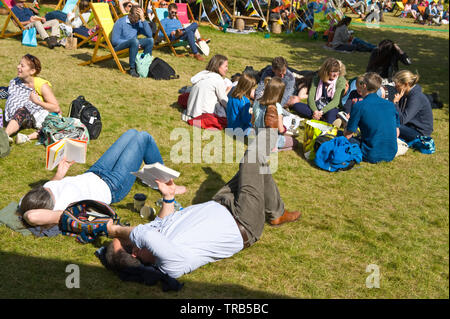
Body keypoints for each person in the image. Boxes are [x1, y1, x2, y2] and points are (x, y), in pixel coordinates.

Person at [104, 132, 302, 279]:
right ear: (134, 252)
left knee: (256, 169)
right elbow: (144, 234)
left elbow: (161, 222)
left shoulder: (153, 242)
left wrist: (169, 198)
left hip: (222, 201)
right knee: (252, 158)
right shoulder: (170, 264)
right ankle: (274, 129)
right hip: (244, 220)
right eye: (126, 239)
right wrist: (115, 230)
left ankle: (276, 212)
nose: (129, 233)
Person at [18, 129, 186, 227]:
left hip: (95, 171)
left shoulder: (42, 193)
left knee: (132, 133)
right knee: (144, 139)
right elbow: (31, 217)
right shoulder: (61, 211)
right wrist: (27, 216)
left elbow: (50, 187)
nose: (47, 188)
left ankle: (163, 182)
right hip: (113, 186)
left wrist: (60, 173)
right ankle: (167, 183)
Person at [4, 54, 61, 145]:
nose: (18, 67)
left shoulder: (41, 85)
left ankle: (5, 135)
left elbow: (56, 108)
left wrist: (36, 101)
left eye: (22, 66)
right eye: (19, 64)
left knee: (23, 110)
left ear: (32, 71)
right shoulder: (16, 81)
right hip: (15, 117)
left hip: (31, 115)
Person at [344, 72, 400, 164]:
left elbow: (347, 135)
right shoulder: (390, 105)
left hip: (371, 154)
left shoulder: (359, 106)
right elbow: (397, 133)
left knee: (339, 136)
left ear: (364, 86)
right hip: (391, 153)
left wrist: (347, 125)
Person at [291, 58, 347, 124]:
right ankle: (321, 118)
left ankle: (323, 118)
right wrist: (315, 111)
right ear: (326, 71)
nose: (335, 74)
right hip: (317, 106)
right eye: (333, 72)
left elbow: (336, 101)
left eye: (337, 71)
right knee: (297, 106)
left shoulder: (341, 80)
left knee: (330, 115)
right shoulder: (317, 78)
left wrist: (322, 111)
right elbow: (311, 97)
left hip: (331, 108)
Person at [252, 77, 298, 151]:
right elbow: (280, 129)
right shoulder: (277, 107)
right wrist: (287, 130)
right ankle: (274, 149)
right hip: (271, 139)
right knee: (295, 142)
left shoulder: (257, 101)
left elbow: (253, 121)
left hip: (258, 135)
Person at [111, 5, 154, 77]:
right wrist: (131, 42)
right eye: (135, 18)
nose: (136, 21)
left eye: (138, 19)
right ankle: (132, 69)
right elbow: (114, 41)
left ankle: (145, 65)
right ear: (129, 14)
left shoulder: (137, 22)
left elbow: (149, 35)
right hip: (118, 47)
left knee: (150, 41)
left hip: (134, 43)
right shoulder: (120, 22)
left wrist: (143, 20)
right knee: (135, 41)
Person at [184, 54, 231, 120]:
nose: (227, 69)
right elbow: (223, 100)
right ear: (218, 66)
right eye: (225, 66)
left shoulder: (203, 74)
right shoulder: (217, 80)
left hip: (191, 110)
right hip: (203, 113)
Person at [392, 70, 433, 142]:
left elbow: (402, 120)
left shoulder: (416, 97)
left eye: (397, 85)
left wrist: (395, 103)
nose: (395, 87)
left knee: (389, 124)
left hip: (420, 133)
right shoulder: (405, 93)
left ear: (406, 84)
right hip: (409, 126)